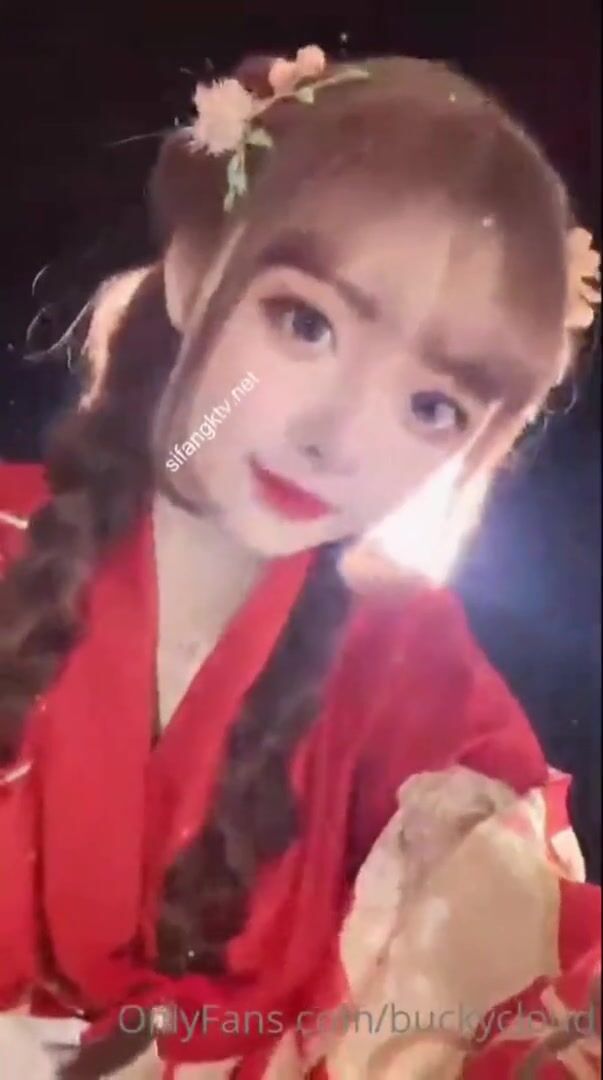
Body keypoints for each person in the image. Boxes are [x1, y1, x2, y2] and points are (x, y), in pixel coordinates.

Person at [0, 46, 600, 1080]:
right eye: (306, 324)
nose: (337, 438)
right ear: (196, 268)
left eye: (430, 406)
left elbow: (528, 974)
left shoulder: (412, 667)